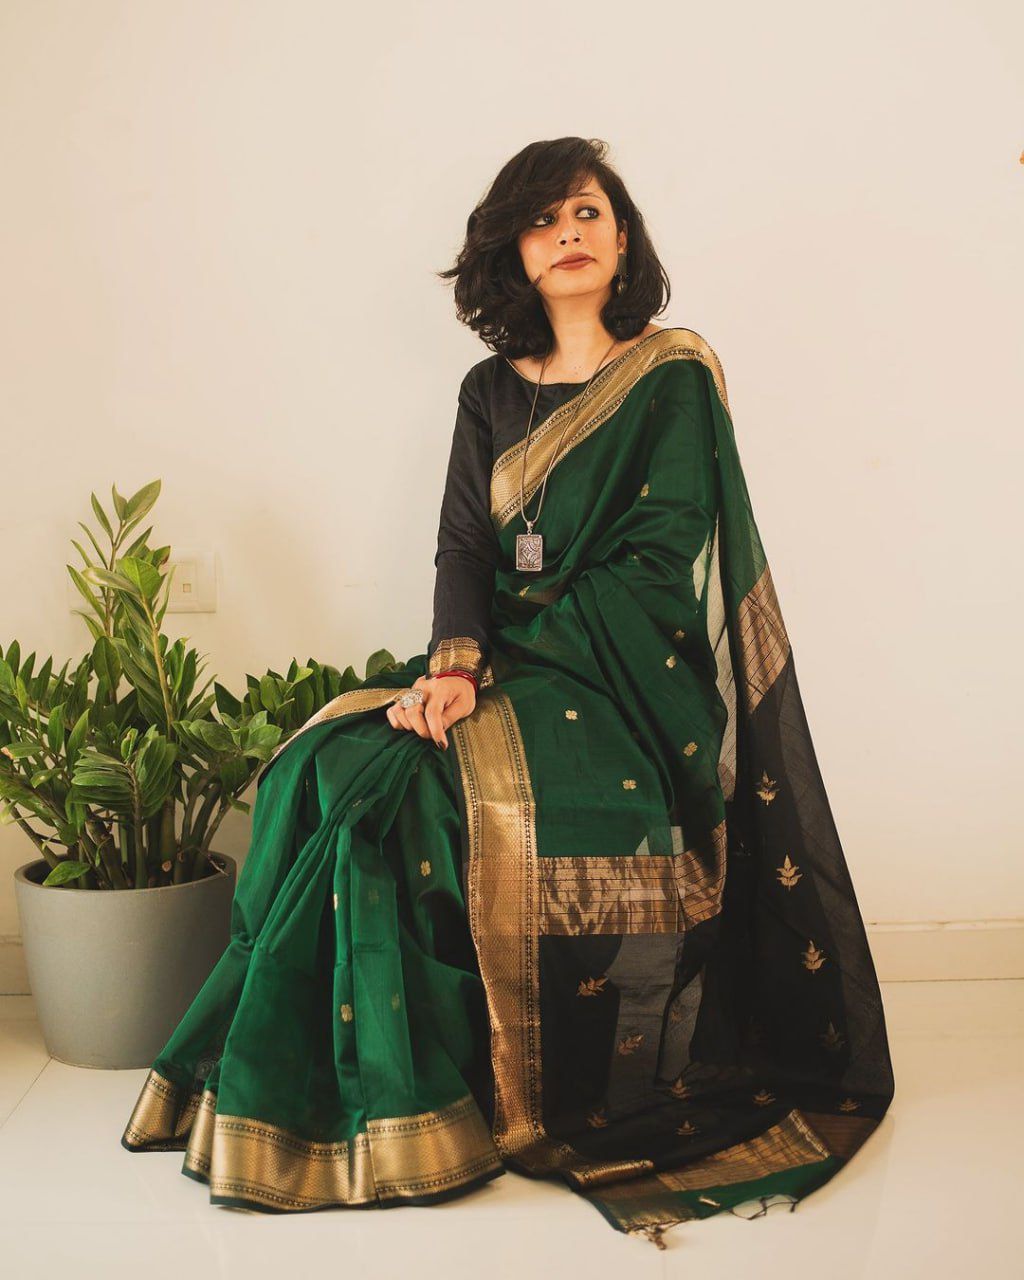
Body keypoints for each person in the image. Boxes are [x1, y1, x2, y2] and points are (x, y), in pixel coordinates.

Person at [121, 137, 895, 1248]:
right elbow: (464, 547)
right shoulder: (488, 391)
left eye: (587, 212)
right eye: (542, 219)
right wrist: (455, 665)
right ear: (513, 253)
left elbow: (658, 562)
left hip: (625, 685)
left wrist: (508, 658)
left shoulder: (671, 377)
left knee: (414, 799)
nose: (568, 233)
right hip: (500, 662)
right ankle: (362, 1097)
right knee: (329, 767)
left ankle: (427, 1098)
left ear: (622, 237)